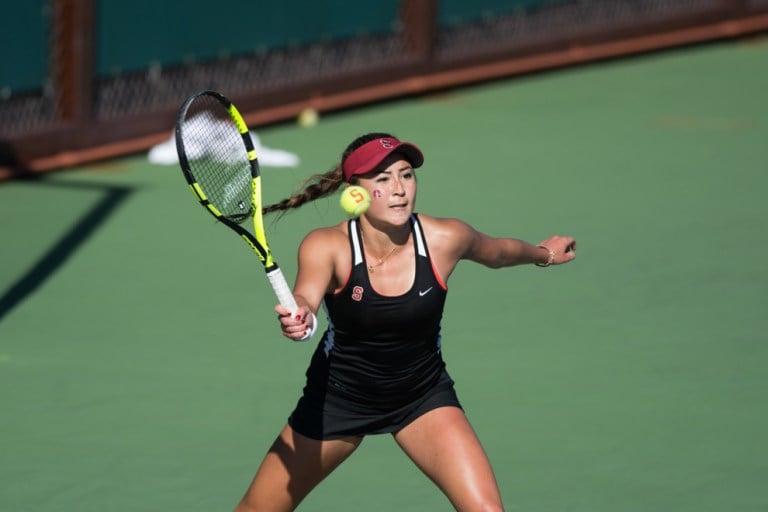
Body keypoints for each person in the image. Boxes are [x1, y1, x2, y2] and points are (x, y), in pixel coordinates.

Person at [235, 132, 576, 512]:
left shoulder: (444, 238)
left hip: (421, 395)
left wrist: (544, 254)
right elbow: (306, 300)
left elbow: (497, 252)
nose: (399, 189)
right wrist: (300, 319)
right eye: (382, 179)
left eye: (406, 175)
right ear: (356, 192)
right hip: (338, 400)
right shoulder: (326, 246)